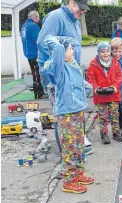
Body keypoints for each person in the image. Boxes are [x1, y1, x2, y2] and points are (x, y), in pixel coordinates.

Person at [37, 0, 93, 155]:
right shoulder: (56, 17)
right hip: (58, 74)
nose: (82, 12)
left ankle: (76, 148)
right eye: (80, 8)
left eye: (84, 10)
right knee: (62, 114)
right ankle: (67, 157)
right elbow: (43, 42)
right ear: (71, 2)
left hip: (70, 72)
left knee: (75, 108)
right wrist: (61, 64)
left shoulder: (73, 20)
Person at [44, 35, 94, 194]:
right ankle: (69, 181)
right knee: (70, 147)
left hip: (77, 111)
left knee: (79, 145)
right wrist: (56, 40)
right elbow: (56, 46)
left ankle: (78, 173)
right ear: (60, 52)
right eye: (69, 49)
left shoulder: (72, 64)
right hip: (66, 113)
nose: (73, 50)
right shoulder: (57, 68)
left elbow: (78, 82)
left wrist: (87, 88)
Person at [86, 42, 122, 144]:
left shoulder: (115, 62)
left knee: (114, 115)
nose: (105, 54)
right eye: (103, 52)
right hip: (100, 95)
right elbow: (90, 78)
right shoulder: (93, 64)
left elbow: (120, 76)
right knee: (103, 116)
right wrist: (96, 87)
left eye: (107, 51)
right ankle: (104, 134)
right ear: (98, 53)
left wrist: (115, 86)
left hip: (113, 94)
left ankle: (116, 133)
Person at [21, 11, 47, 99]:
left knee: (34, 73)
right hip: (35, 53)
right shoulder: (33, 26)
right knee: (37, 74)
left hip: (28, 53)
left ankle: (38, 93)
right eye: (38, 18)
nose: (39, 20)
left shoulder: (24, 26)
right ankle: (39, 94)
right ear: (35, 17)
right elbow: (39, 40)